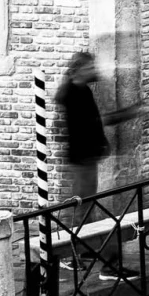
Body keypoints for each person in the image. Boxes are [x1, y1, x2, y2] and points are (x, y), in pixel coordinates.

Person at [59, 51, 123, 202]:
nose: (93, 71)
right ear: (79, 70)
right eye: (90, 68)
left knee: (86, 201)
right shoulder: (72, 94)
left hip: (87, 158)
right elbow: (92, 122)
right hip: (81, 160)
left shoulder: (83, 90)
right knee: (80, 203)